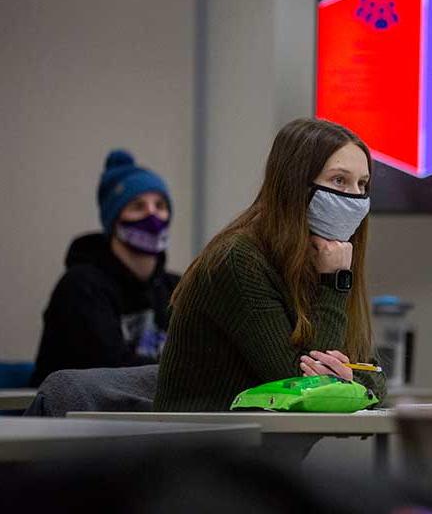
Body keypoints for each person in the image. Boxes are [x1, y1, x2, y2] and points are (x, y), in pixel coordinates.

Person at [155, 119, 385, 411]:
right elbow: (304, 392)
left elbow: (374, 375)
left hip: (259, 447)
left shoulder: (322, 258)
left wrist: (350, 378)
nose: (354, 196)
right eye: (339, 180)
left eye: (362, 184)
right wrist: (335, 281)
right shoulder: (239, 260)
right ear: (295, 183)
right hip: (201, 448)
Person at [30, 150, 179, 387]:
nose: (153, 215)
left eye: (160, 205)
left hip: (148, 415)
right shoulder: (80, 287)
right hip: (73, 416)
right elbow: (110, 369)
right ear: (113, 220)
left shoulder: (177, 288)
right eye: (138, 206)